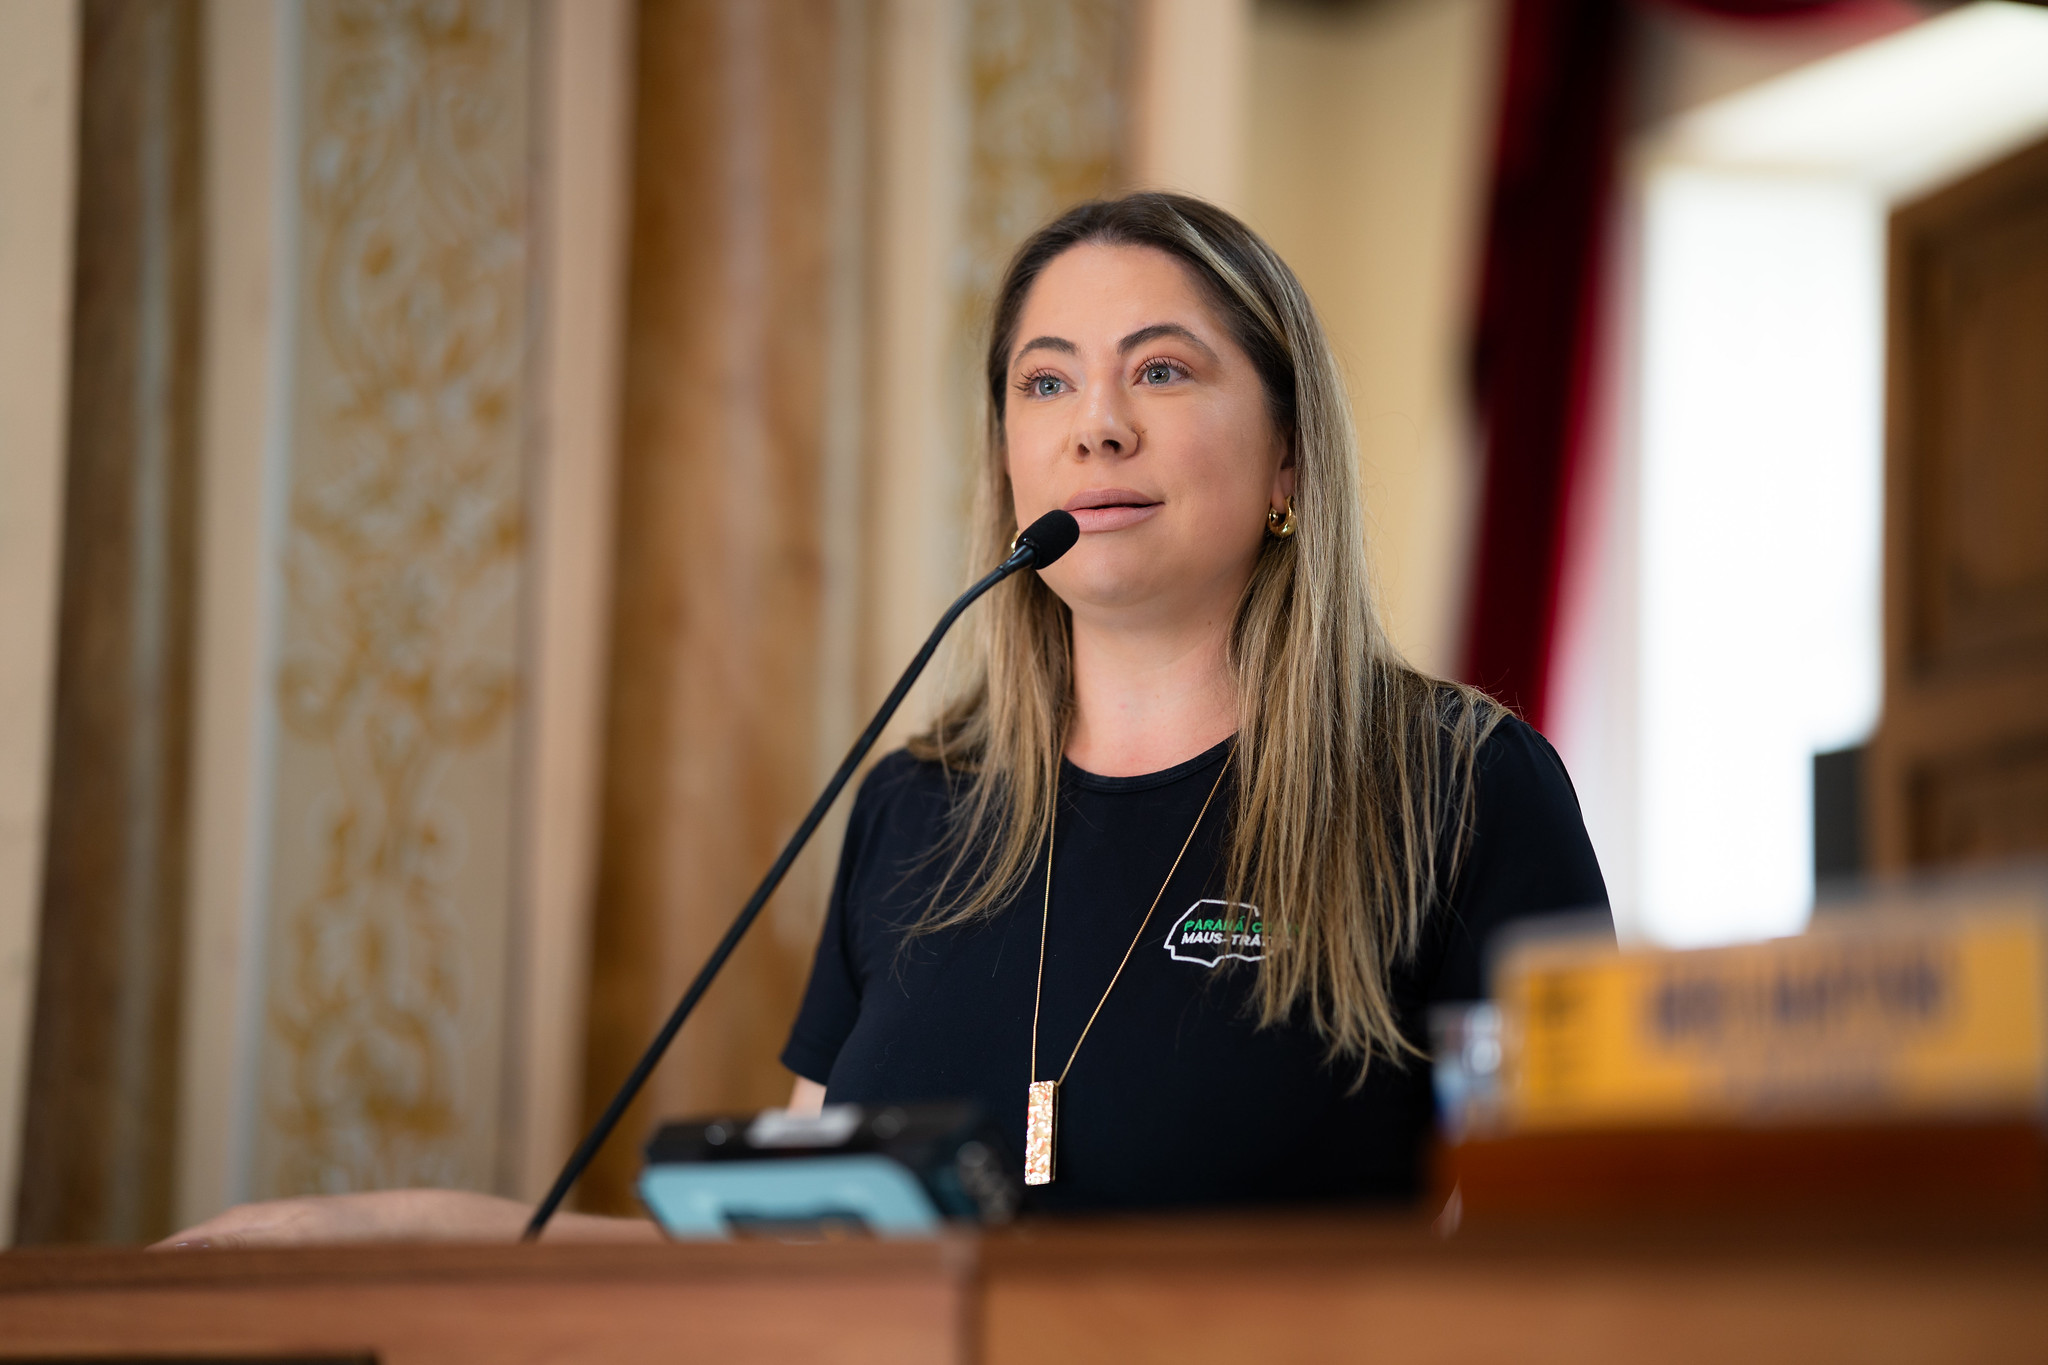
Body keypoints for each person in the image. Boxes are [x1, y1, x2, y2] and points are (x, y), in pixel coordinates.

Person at [162, 192, 1605, 1247]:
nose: (1096, 423)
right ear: (1009, 456)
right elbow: (770, 1266)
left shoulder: (1464, 789)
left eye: (1161, 369)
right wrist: (376, 1230)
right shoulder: (917, 808)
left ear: (1290, 458)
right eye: (1046, 381)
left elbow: (1581, 1241)